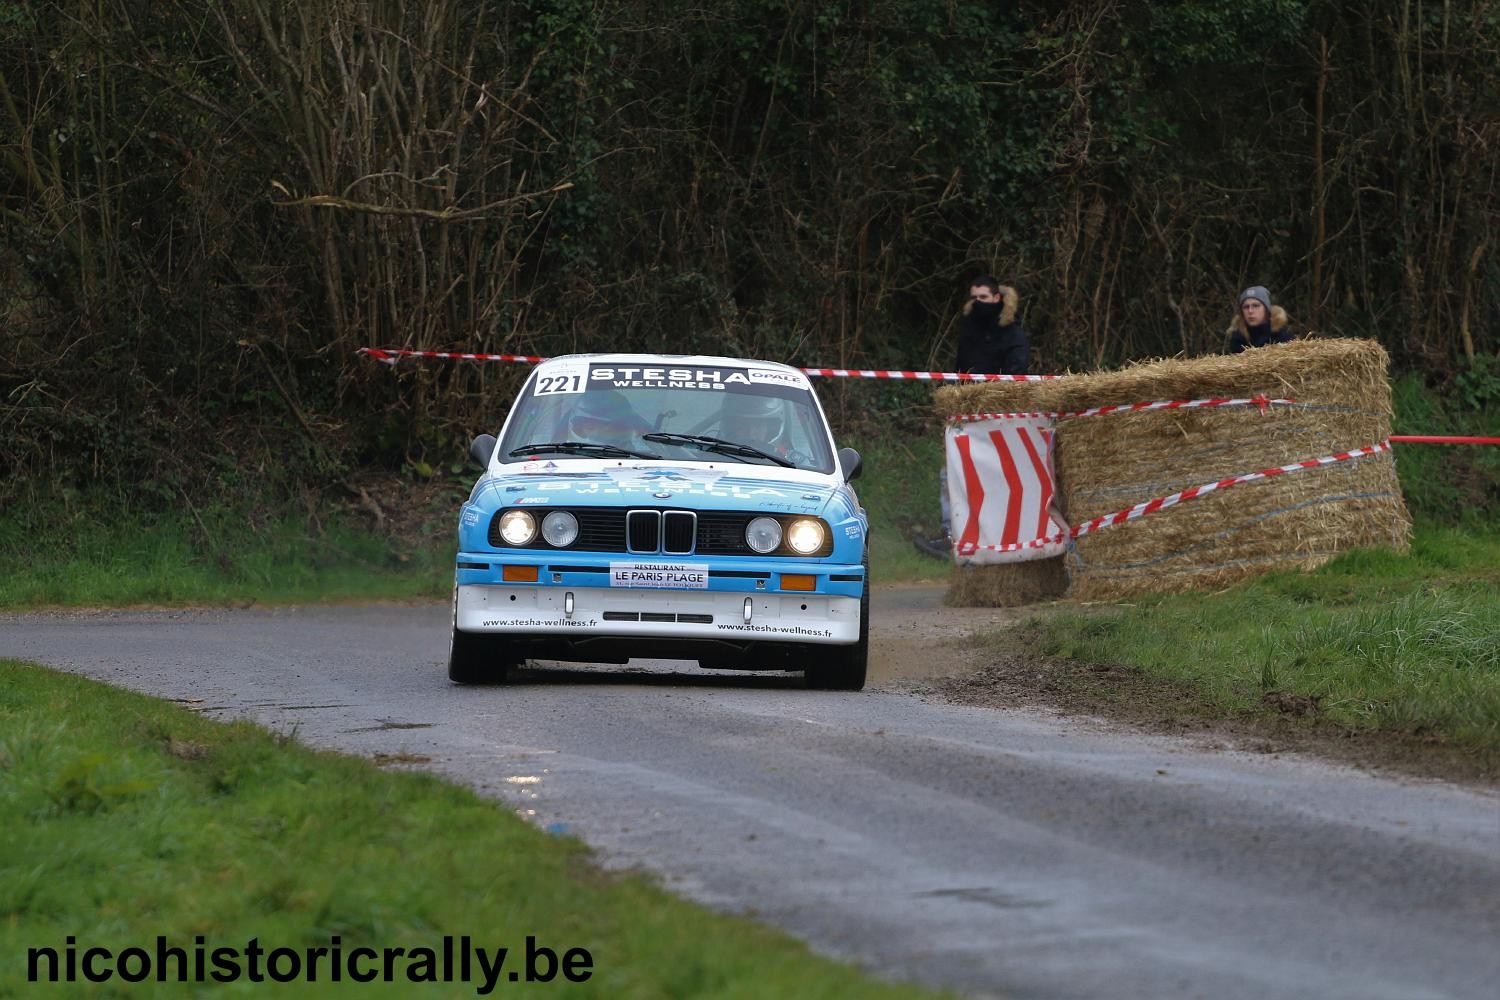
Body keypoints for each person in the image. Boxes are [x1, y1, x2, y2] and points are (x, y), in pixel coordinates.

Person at [956, 276, 1029, 375]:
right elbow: (959, 366)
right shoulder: (967, 328)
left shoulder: (1012, 333)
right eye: (974, 297)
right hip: (967, 388)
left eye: (983, 297)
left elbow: (1017, 370)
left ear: (996, 298)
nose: (978, 301)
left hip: (999, 389)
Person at [1227, 285, 1294, 353]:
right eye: (1246, 307)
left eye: (1256, 306)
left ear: (1266, 309)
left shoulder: (1282, 336)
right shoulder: (1238, 338)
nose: (1250, 311)